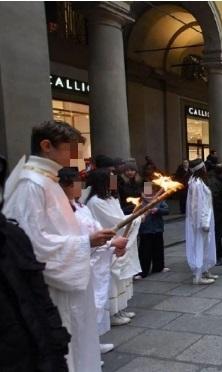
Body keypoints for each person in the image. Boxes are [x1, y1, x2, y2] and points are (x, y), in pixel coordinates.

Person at [3, 120, 117, 371]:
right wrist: (85, 241)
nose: (76, 157)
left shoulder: (47, 181)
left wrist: (92, 242)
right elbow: (30, 243)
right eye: (71, 149)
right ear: (46, 146)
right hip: (55, 286)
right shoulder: (31, 184)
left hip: (70, 277)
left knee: (79, 341)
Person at [59, 167, 126, 355]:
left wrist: (112, 244)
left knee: (94, 306)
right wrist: (108, 242)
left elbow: (96, 230)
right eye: (77, 182)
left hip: (96, 262)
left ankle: (93, 342)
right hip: (82, 266)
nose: (81, 186)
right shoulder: (63, 211)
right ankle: (84, 350)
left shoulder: (82, 207)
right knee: (81, 311)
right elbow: (79, 239)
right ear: (66, 186)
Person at [85, 168, 142, 327]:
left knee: (122, 280)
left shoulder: (111, 198)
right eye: (110, 179)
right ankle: (112, 312)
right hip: (106, 246)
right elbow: (114, 223)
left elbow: (121, 218)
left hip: (118, 242)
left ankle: (121, 308)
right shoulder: (96, 201)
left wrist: (134, 216)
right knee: (112, 280)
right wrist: (136, 217)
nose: (114, 183)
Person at [185, 158, 217, 284]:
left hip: (205, 218)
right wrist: (204, 223)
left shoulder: (197, 181)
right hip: (201, 221)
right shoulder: (197, 184)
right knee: (200, 246)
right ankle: (198, 276)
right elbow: (197, 205)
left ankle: (205, 270)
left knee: (206, 246)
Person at [135, 187, 169, 279]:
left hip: (158, 229)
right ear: (142, 194)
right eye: (146, 194)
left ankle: (158, 267)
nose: (149, 196)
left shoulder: (158, 200)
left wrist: (158, 210)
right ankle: (143, 271)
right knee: (144, 251)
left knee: (158, 249)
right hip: (145, 230)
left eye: (151, 194)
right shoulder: (139, 203)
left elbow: (166, 210)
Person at [207, 163, 222, 264]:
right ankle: (215, 255)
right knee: (217, 233)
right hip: (216, 212)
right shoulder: (214, 182)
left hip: (220, 211)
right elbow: (215, 199)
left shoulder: (220, 180)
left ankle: (220, 251)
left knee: (220, 232)